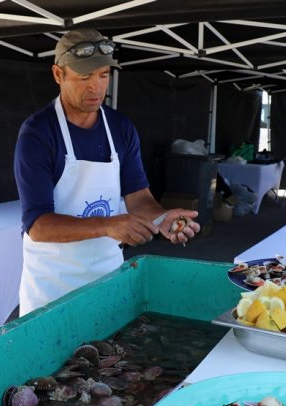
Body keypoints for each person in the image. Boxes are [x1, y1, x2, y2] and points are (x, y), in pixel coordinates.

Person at [14, 29, 199, 315]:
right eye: (84, 77)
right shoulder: (38, 133)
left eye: (103, 75)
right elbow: (38, 226)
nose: (95, 88)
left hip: (107, 277)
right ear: (58, 74)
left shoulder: (120, 128)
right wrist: (107, 225)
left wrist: (161, 218)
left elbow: (137, 196)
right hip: (52, 288)